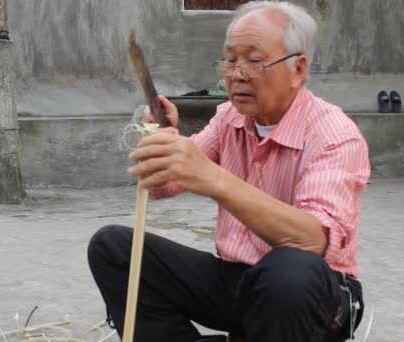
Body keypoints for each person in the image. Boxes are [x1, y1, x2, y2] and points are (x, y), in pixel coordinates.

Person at [88, 2, 370, 341]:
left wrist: (212, 178)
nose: (236, 73)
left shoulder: (335, 134)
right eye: (230, 60)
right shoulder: (229, 118)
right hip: (238, 279)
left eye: (253, 60)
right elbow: (165, 186)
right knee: (112, 247)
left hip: (312, 296)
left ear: (298, 69)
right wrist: (166, 143)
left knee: (288, 273)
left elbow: (311, 240)